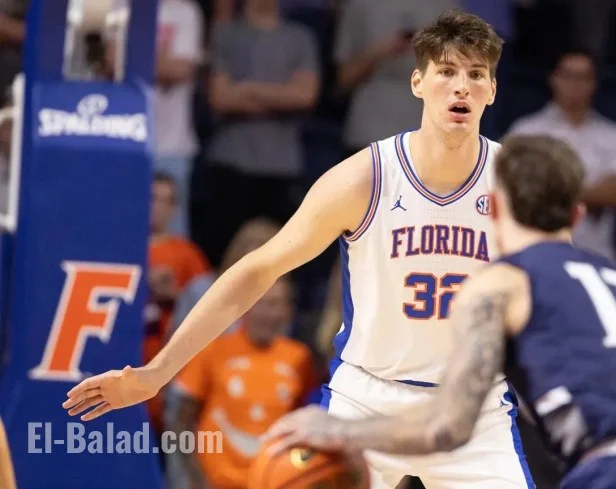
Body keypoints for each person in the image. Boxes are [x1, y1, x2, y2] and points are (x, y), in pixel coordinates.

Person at [63, 10, 537, 489]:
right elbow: (258, 269)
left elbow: (560, 288)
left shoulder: (515, 186)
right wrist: (157, 371)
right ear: (418, 82)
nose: (462, 87)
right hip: (367, 401)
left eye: (477, 75)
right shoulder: (365, 178)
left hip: (470, 406)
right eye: (447, 72)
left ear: (493, 90)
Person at [261, 135, 616, 489]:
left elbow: (447, 427)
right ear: (577, 215)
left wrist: (337, 428)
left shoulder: (502, 284)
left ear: (490, 210)